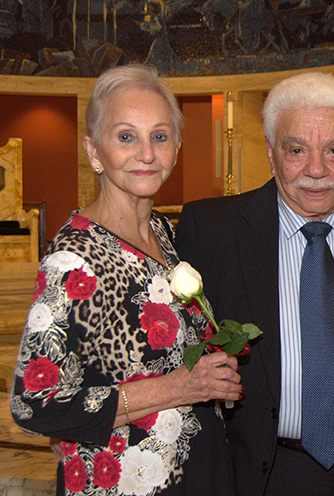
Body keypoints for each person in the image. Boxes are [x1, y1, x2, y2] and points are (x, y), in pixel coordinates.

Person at [174, 72, 334, 496]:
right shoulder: (212, 232)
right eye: (296, 149)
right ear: (270, 152)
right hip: (259, 475)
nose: (316, 170)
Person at [10, 64, 241, 495]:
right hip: (121, 481)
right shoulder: (74, 259)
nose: (147, 154)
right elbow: (34, 402)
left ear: (176, 146)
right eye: (125, 136)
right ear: (94, 151)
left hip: (191, 472)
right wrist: (178, 387)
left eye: (159, 136)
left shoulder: (164, 234)